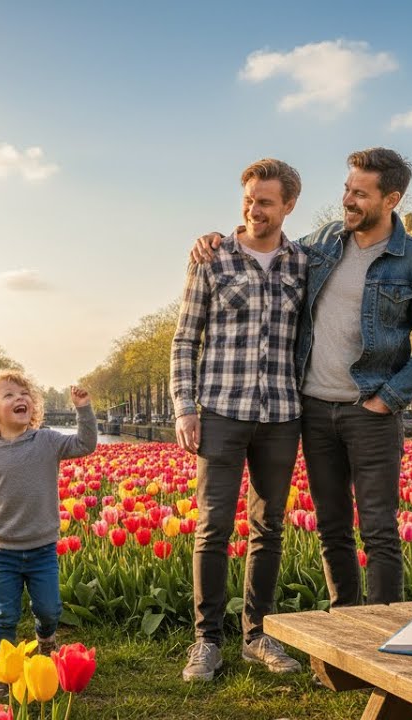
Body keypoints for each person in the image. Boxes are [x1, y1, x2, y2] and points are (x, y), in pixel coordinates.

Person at [191, 148, 412, 608]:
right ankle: (344, 630)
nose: (347, 201)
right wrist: (217, 238)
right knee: (332, 530)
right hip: (311, 409)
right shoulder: (325, 243)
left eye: (360, 194)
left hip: (370, 411)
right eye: (347, 190)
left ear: (391, 199)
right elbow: (265, 242)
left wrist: (387, 398)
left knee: (380, 532)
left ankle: (383, 641)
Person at [170, 158, 308, 683]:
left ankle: (258, 635)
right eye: (248, 198)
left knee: (269, 526)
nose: (254, 208)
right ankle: (206, 640)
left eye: (266, 201)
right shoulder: (212, 257)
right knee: (213, 526)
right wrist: (185, 407)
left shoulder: (304, 263)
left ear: (288, 206)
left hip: (282, 412)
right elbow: (186, 338)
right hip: (222, 410)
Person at [0, 366, 96, 697]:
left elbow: (85, 443)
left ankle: (46, 638)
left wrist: (84, 409)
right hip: (3, 550)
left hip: (42, 547)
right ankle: (2, 671)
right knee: (3, 613)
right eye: (9, 395)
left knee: (49, 608)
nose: (20, 398)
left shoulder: (47, 441)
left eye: (25, 394)